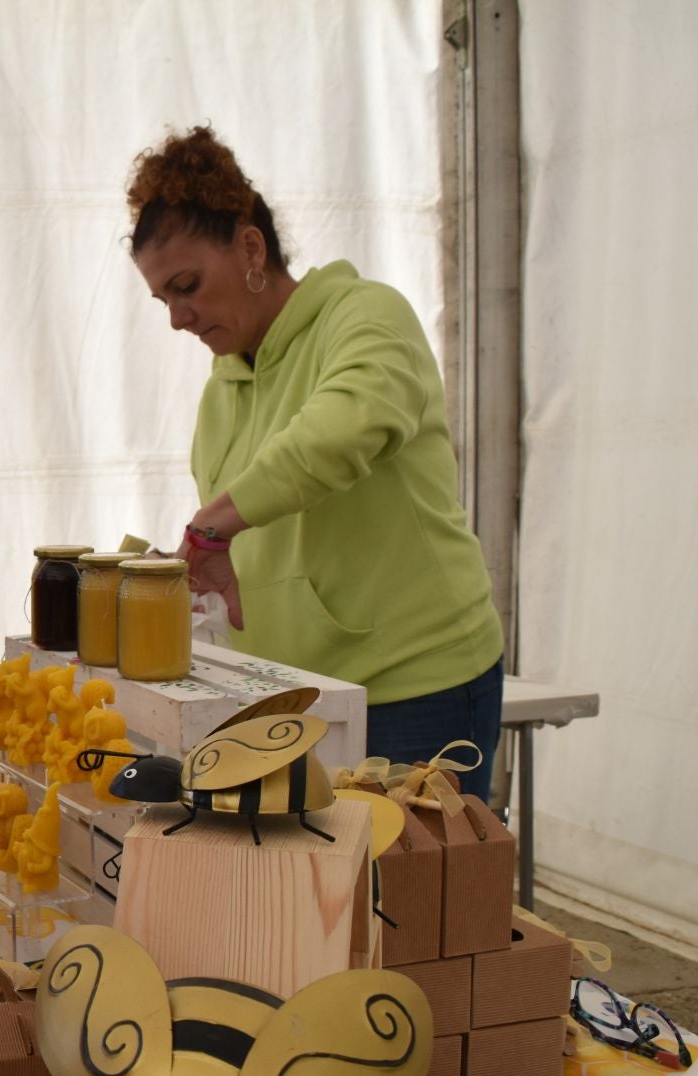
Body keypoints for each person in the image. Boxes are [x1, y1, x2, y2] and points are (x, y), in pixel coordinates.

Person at [127, 126, 505, 800]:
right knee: (316, 901)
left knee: (408, 900)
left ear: (250, 247)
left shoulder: (366, 317)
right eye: (163, 299)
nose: (178, 318)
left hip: (414, 688)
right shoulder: (224, 388)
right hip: (297, 703)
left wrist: (212, 524)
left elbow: (342, 430)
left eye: (187, 286)